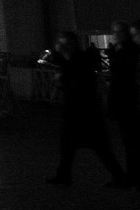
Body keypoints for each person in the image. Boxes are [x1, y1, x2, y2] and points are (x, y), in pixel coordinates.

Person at [40, 32, 129, 186]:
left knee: (99, 146)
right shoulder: (70, 59)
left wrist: (63, 77)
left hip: (85, 110)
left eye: (63, 43)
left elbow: (80, 81)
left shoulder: (80, 59)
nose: (61, 47)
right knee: (68, 145)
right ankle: (64, 175)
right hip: (76, 109)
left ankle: (119, 176)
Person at [105, 22, 140, 184]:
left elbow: (122, 77)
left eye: (118, 32)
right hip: (126, 100)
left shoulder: (128, 50)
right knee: (133, 141)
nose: (114, 35)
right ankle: (134, 175)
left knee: (132, 141)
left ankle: (134, 176)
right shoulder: (123, 49)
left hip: (128, 101)